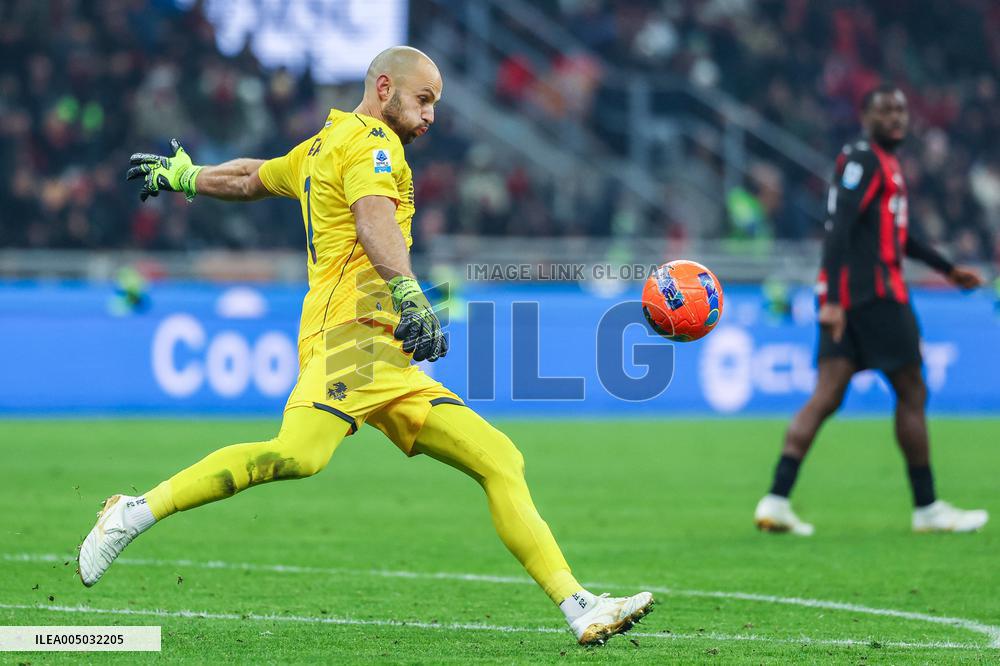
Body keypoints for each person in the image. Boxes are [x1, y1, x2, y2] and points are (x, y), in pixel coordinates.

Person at [78, 46, 653, 646]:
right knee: (300, 456)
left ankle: (578, 605)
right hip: (350, 338)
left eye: (436, 104)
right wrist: (409, 291)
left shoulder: (325, 144)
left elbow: (253, 176)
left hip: (385, 353)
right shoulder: (375, 145)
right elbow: (372, 219)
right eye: (423, 99)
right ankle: (133, 512)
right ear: (384, 88)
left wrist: (187, 176)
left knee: (499, 459)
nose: (430, 116)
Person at [754, 84, 989, 535]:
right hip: (875, 297)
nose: (896, 118)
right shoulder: (864, 160)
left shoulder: (883, 164)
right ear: (865, 116)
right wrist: (836, 301)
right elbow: (839, 227)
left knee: (826, 395)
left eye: (901, 110)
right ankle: (927, 508)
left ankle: (776, 498)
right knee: (913, 391)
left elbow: (900, 236)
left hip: (849, 299)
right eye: (885, 110)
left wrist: (947, 269)